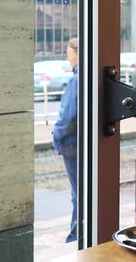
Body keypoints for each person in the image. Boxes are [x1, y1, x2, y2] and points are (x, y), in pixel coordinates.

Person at [53, 37, 79, 243]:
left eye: (68, 52)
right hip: (79, 142)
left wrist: (56, 135)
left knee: (77, 191)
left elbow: (68, 116)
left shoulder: (76, 80)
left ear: (76, 54)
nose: (67, 56)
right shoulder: (84, 76)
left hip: (72, 143)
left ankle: (76, 234)